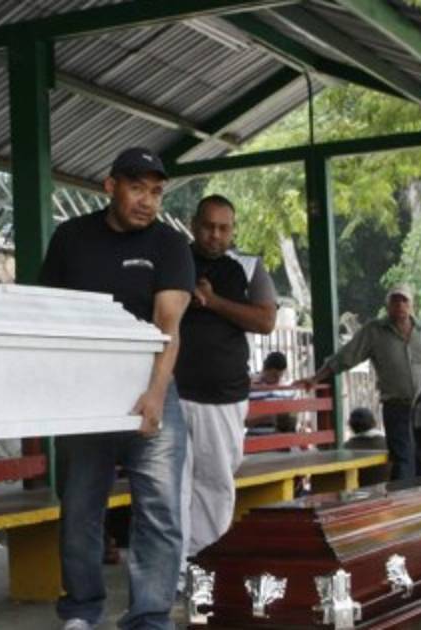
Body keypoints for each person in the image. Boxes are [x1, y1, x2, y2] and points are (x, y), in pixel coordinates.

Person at [40, 147, 193, 630]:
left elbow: (168, 326)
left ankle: (149, 616)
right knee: (80, 508)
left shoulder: (170, 244)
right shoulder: (70, 238)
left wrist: (155, 393)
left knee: (160, 510)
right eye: (136, 188)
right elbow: (48, 314)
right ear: (110, 187)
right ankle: (81, 610)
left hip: (152, 385)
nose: (148, 201)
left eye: (156, 192)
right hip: (84, 393)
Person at [173, 195, 276, 574]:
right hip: (172, 391)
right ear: (193, 224)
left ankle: (206, 568)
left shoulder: (248, 267)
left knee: (215, 483)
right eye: (207, 226)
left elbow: (265, 320)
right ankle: (175, 570)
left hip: (223, 397)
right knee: (172, 485)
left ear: (233, 230)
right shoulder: (173, 259)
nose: (214, 235)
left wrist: (214, 302)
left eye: (223, 228)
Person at [298, 285, 421, 480]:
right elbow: (345, 357)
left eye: (404, 300)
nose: (400, 305)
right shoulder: (375, 331)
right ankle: (401, 499)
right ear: (387, 305)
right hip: (396, 407)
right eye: (395, 300)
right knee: (403, 462)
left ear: (412, 305)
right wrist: (315, 378)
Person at [341, 408, 389, 486]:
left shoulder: (346, 448)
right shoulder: (389, 444)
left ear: (351, 426)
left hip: (359, 490)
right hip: (387, 489)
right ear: (374, 422)